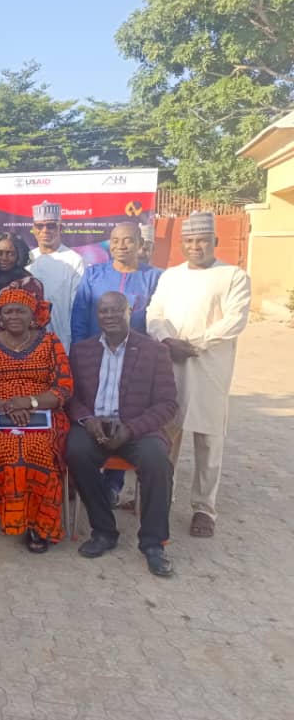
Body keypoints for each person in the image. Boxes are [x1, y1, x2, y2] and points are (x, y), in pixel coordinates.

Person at [147, 212, 251, 538]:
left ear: (215, 242)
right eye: (190, 241)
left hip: (209, 368)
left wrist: (194, 344)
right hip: (171, 364)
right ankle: (162, 496)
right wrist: (166, 340)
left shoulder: (233, 276)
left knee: (208, 439)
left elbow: (235, 320)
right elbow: (154, 313)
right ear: (182, 244)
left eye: (202, 240)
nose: (196, 246)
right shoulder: (171, 276)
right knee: (167, 433)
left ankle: (204, 508)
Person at [67, 292, 178, 577]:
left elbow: (168, 403)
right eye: (104, 311)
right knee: (75, 452)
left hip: (137, 428)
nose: (110, 316)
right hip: (94, 428)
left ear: (130, 311)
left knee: (157, 462)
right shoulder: (81, 351)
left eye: (116, 310)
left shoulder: (155, 351)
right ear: (97, 315)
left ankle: (154, 543)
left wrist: (131, 429)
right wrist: (88, 421)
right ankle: (104, 531)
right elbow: (71, 397)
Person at [0, 287, 73, 553]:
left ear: (32, 315)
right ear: (0, 316)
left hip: (44, 412)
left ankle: (41, 525)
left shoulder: (51, 342)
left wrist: (28, 403)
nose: (14, 316)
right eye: (8, 311)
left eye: (21, 310)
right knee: (9, 448)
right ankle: (17, 519)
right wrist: (7, 406)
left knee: (38, 448)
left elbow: (63, 389)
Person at [71, 222, 163, 346]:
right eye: (115, 241)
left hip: (138, 355)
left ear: (140, 243)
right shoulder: (93, 274)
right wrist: (81, 350)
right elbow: (79, 318)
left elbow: (160, 319)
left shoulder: (155, 277)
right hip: (97, 353)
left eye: (127, 240)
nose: (121, 246)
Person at [28, 201, 84, 352]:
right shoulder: (27, 259)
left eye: (51, 225)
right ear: (34, 229)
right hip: (28, 342)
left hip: (62, 342)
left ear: (61, 228)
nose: (45, 230)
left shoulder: (74, 260)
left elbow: (77, 307)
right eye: (40, 226)